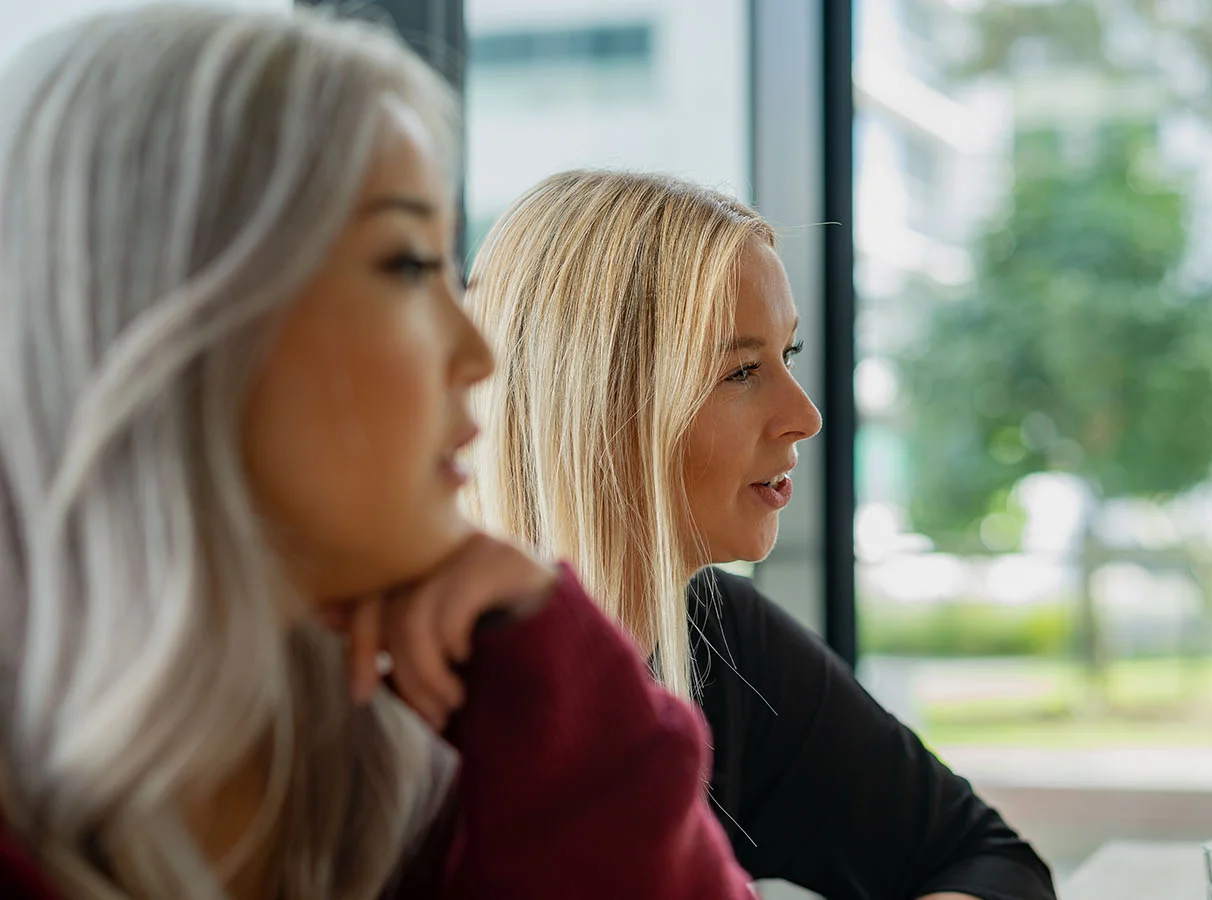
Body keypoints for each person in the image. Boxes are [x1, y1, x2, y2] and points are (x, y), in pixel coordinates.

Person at [0, 7, 753, 899]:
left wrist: (562, 689)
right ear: (153, 308)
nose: (479, 358)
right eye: (405, 266)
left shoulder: (418, 752)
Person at [466, 169, 1058, 900]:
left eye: (790, 356)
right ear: (599, 404)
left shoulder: (722, 637)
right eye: (742, 370)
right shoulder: (431, 689)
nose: (804, 414)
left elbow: (985, 857)